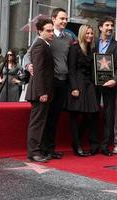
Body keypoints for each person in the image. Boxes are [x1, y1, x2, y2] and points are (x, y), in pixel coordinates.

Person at [24, 8, 73, 160]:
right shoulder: (42, 40)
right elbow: (29, 55)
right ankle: (36, 151)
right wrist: (28, 66)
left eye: (66, 19)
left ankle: (48, 149)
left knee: (52, 118)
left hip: (60, 83)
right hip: (46, 84)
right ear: (54, 19)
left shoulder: (68, 38)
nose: (64, 21)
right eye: (61, 18)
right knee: (40, 120)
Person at [66, 24, 99, 156]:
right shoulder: (74, 48)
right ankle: (77, 144)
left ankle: (76, 141)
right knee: (75, 115)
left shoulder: (93, 49)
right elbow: (71, 69)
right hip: (77, 84)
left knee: (89, 115)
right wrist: (74, 88)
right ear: (82, 34)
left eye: (91, 33)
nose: (90, 35)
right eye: (88, 33)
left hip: (89, 84)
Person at [94, 16, 117, 156]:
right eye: (107, 25)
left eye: (112, 25)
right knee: (93, 113)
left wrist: (115, 80)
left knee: (108, 115)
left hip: (110, 85)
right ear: (100, 27)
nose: (110, 27)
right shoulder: (92, 43)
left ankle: (105, 145)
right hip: (93, 84)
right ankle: (93, 145)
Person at [25, 18, 54, 163]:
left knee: (40, 122)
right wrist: (42, 92)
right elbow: (39, 71)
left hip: (42, 91)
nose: (51, 33)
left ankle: (37, 151)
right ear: (40, 32)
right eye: (48, 31)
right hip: (39, 92)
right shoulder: (39, 45)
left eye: (52, 30)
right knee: (37, 123)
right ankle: (34, 152)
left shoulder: (45, 44)